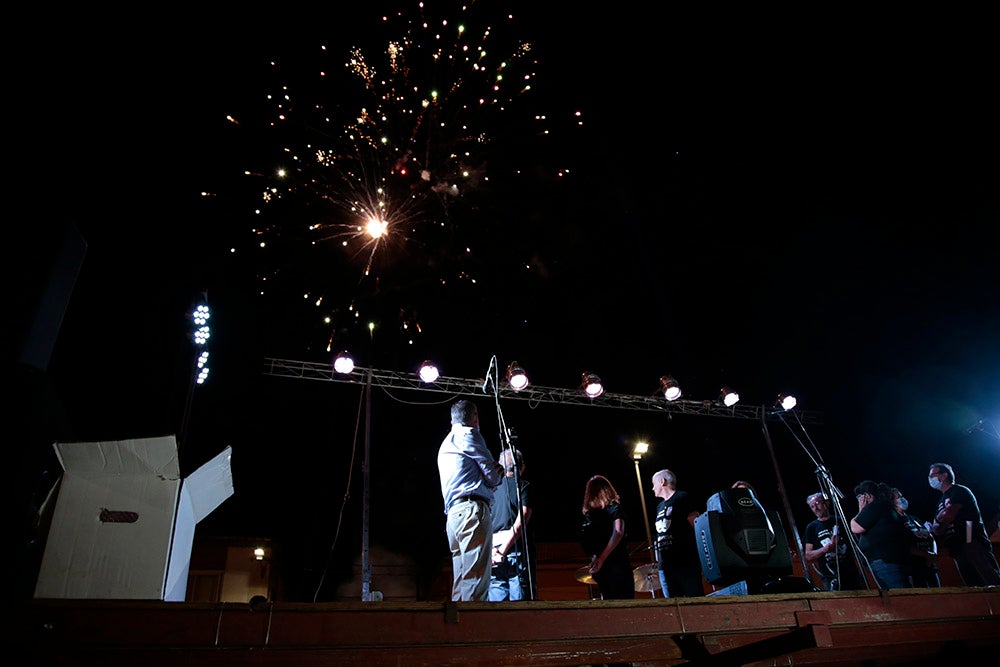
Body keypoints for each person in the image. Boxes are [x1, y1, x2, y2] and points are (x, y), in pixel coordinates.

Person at [436, 399, 505, 601]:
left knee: (461, 578)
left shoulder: (445, 444)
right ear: (475, 418)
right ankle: (474, 629)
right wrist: (497, 473)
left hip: (454, 516)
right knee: (476, 579)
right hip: (471, 510)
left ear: (452, 421)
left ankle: (458, 628)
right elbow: (492, 476)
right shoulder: (470, 434)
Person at [927, 462, 1000, 586]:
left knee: (990, 580)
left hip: (971, 543)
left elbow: (949, 514)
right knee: (972, 586)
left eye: (932, 475)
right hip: (956, 548)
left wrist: (941, 519)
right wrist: (941, 519)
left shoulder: (959, 491)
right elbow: (937, 529)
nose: (930, 479)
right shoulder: (940, 501)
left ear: (944, 475)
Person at [489, 447, 536, 601]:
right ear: (521, 467)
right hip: (515, 549)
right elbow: (519, 524)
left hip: (493, 550)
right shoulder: (523, 486)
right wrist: (503, 551)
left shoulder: (491, 490)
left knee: (497, 607)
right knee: (520, 606)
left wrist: (493, 551)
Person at [579, 475, 635, 599]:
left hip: (601, 569)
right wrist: (603, 558)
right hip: (617, 564)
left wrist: (596, 558)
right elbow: (618, 531)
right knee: (625, 604)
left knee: (608, 603)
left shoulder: (589, 516)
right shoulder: (614, 508)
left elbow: (587, 541)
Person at [849, 480, 912, 589]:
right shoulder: (884, 506)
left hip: (886, 562)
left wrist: (861, 510)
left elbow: (855, 527)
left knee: (901, 597)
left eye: (860, 497)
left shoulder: (875, 506)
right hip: (888, 561)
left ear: (867, 496)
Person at [652, 469, 703, 597]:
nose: (653, 488)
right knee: (673, 604)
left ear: (662, 481)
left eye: (654, 484)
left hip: (685, 562)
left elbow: (697, 526)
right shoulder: (659, 507)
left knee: (694, 600)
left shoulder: (682, 498)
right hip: (666, 565)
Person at [803, 492, 865, 591]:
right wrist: (824, 549)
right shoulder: (811, 528)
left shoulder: (841, 520)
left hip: (850, 572)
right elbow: (808, 555)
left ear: (827, 503)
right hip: (829, 576)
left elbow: (855, 542)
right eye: (812, 506)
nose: (816, 507)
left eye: (817, 503)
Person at [890, 486, 940, 587]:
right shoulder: (895, 521)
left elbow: (930, 537)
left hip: (930, 566)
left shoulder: (914, 519)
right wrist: (925, 554)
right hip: (914, 568)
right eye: (897, 497)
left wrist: (933, 554)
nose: (902, 499)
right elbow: (902, 545)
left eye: (901, 496)